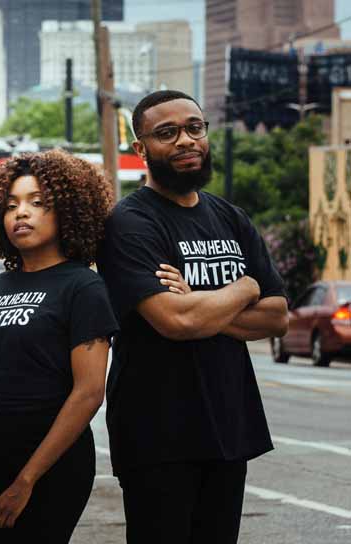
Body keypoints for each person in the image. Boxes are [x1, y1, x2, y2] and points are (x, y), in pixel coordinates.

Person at [95, 90, 289, 544]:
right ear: (140, 148)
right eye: (167, 133)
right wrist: (245, 288)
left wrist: (199, 301)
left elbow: (278, 317)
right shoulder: (128, 224)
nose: (186, 141)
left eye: (194, 128)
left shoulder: (230, 218)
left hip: (227, 424)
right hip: (157, 433)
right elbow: (175, 322)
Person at [0, 150, 117, 543]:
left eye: (37, 203)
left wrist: (27, 479)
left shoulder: (83, 287)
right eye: (12, 205)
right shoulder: (0, 284)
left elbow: (89, 393)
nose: (21, 213)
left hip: (53, 458)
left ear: (67, 210)